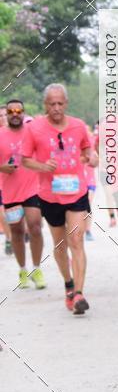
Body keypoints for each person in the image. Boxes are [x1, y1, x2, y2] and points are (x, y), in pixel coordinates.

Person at [22, 84, 94, 315]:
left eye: (60, 103)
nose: (56, 108)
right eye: (52, 104)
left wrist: (91, 157)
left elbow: (87, 150)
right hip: (49, 195)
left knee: (76, 240)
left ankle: (80, 294)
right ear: (45, 104)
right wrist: (43, 166)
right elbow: (24, 159)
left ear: (66, 103)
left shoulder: (78, 125)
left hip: (76, 191)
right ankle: (69, 285)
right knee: (60, 245)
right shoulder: (34, 128)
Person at [0, 99, 45, 288]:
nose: (15, 114)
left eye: (18, 111)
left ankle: (37, 269)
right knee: (17, 231)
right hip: (10, 192)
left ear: (23, 113)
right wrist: (2, 167)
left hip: (33, 188)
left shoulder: (32, 132)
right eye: (11, 111)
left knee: (35, 226)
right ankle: (23, 270)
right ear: (7, 115)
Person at [0, 103, 13, 255]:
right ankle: (9, 238)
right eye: (0, 116)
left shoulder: (17, 132)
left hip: (14, 181)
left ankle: (16, 235)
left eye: (5, 115)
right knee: (2, 212)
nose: (3, 118)